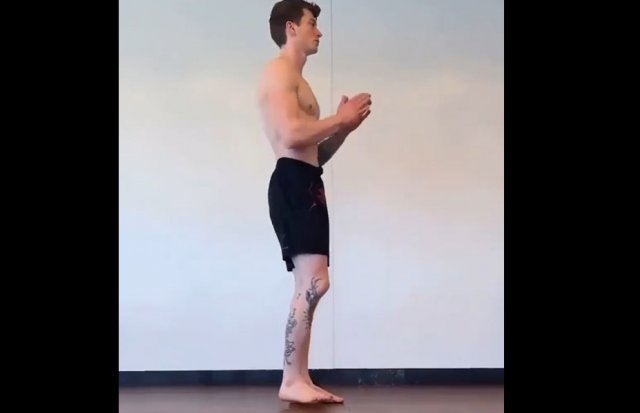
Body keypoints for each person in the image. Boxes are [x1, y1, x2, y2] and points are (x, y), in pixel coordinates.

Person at [256, 0, 372, 404]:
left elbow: (314, 154)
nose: (319, 31)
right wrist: (339, 119)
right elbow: (290, 135)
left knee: (315, 283)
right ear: (291, 28)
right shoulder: (279, 71)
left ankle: (299, 377)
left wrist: (344, 130)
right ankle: (291, 379)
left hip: (306, 179)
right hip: (292, 181)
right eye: (312, 23)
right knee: (313, 283)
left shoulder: (296, 79)